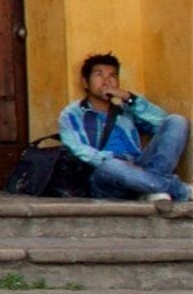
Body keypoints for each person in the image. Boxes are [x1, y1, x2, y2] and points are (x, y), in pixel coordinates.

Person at [60, 52, 191, 211]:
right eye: (99, 75)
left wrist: (129, 98)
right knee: (112, 166)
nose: (106, 81)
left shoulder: (125, 112)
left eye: (112, 76)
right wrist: (113, 160)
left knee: (177, 121)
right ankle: (178, 189)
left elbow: (162, 122)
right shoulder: (72, 114)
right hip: (104, 174)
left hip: (138, 166)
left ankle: (149, 189)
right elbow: (78, 149)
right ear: (85, 82)